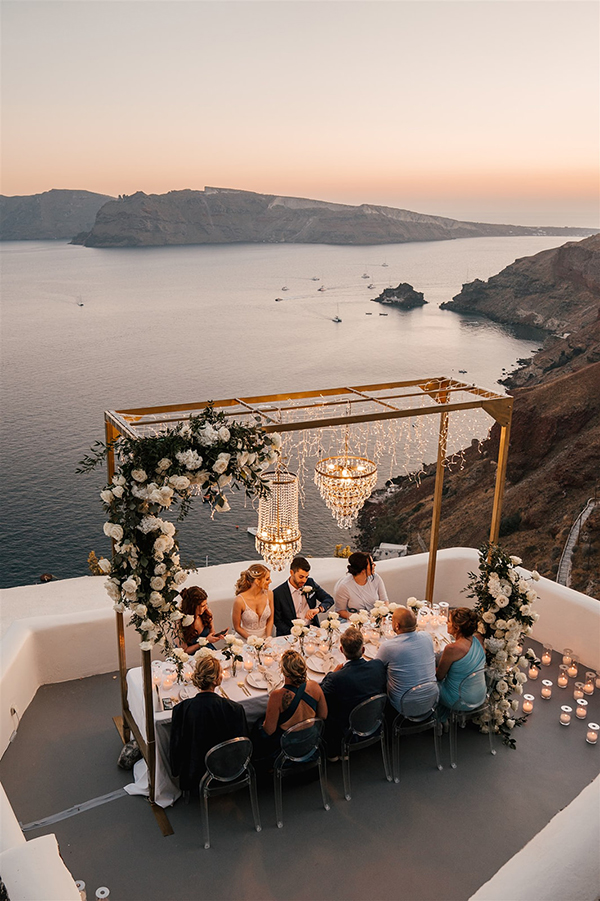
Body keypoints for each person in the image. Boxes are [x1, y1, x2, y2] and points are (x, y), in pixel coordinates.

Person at [169, 656, 248, 793]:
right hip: (228, 769)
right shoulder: (234, 709)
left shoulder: (181, 709)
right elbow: (242, 745)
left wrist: (176, 770)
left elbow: (176, 746)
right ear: (218, 680)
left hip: (194, 773)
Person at [320, 626, 387, 758]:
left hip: (348, 728)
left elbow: (320, 694)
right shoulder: (378, 666)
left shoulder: (336, 678)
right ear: (363, 650)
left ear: (341, 650)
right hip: (375, 722)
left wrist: (331, 674)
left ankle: (333, 753)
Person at [253, 650, 327, 765]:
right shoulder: (315, 686)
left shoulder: (277, 696)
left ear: (283, 672)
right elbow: (323, 715)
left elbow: (269, 730)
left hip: (286, 748)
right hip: (310, 743)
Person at [376, 606, 436, 714]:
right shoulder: (427, 637)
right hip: (431, 699)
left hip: (403, 704)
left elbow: (375, 668)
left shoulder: (388, 647)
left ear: (397, 626)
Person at [436, 607, 486, 719]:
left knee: (429, 683)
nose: (446, 623)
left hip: (459, 700)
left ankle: (439, 718)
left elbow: (439, 676)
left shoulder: (452, 649)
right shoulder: (479, 639)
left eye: (449, 621)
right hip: (480, 696)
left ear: (457, 628)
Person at [273, 555, 334, 636]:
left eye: (306, 577)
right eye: (301, 577)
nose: (304, 581)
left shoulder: (310, 583)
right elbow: (277, 621)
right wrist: (295, 633)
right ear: (291, 573)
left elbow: (329, 599)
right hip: (290, 633)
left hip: (312, 629)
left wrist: (318, 609)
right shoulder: (278, 593)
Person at [334, 551, 389, 619]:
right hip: (356, 623)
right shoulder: (344, 586)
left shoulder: (376, 578)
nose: (375, 565)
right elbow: (340, 611)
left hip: (376, 620)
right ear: (363, 569)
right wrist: (359, 618)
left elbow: (385, 601)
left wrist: (382, 614)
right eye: (371, 564)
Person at [232, 564, 275, 640]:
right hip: (245, 640)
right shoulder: (239, 600)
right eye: (267, 579)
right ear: (257, 581)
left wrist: (268, 638)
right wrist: (253, 641)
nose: (270, 581)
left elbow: (270, 620)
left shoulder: (269, 594)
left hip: (264, 639)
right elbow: (237, 627)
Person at [178, 586, 225, 653]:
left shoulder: (207, 613)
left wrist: (217, 636)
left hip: (208, 651)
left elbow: (211, 633)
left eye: (206, 604)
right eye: (203, 606)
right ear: (192, 606)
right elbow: (184, 651)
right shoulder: (179, 621)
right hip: (190, 656)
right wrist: (206, 641)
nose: (206, 608)